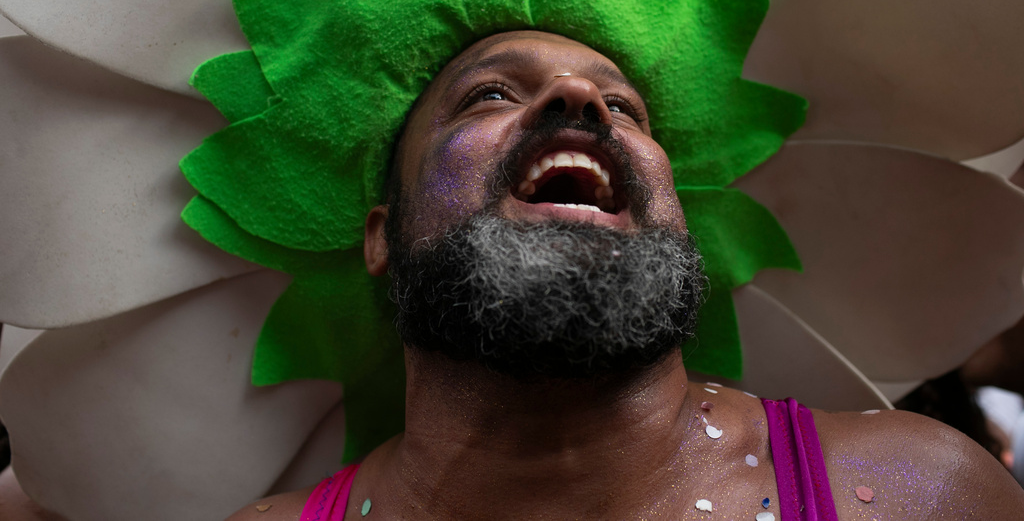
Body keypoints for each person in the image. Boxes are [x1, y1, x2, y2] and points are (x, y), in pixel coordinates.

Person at [223, 31, 1024, 520]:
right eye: (488, 94)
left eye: (626, 107)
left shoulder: (923, 493)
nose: (580, 97)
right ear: (382, 237)